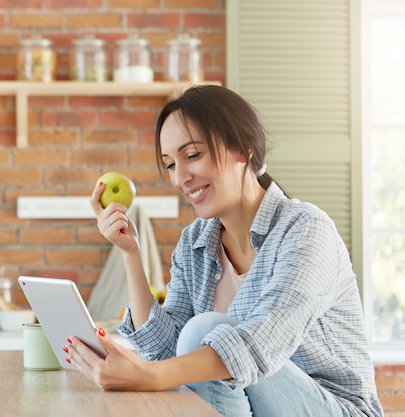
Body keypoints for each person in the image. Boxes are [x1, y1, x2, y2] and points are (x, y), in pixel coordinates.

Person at [64, 85, 384, 417]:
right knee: (194, 341)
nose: (180, 177)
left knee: (204, 332)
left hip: (337, 409)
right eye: (170, 164)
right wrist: (130, 253)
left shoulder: (306, 229)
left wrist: (150, 375)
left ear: (243, 150)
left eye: (192, 156)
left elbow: (261, 343)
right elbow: (166, 351)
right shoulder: (195, 242)